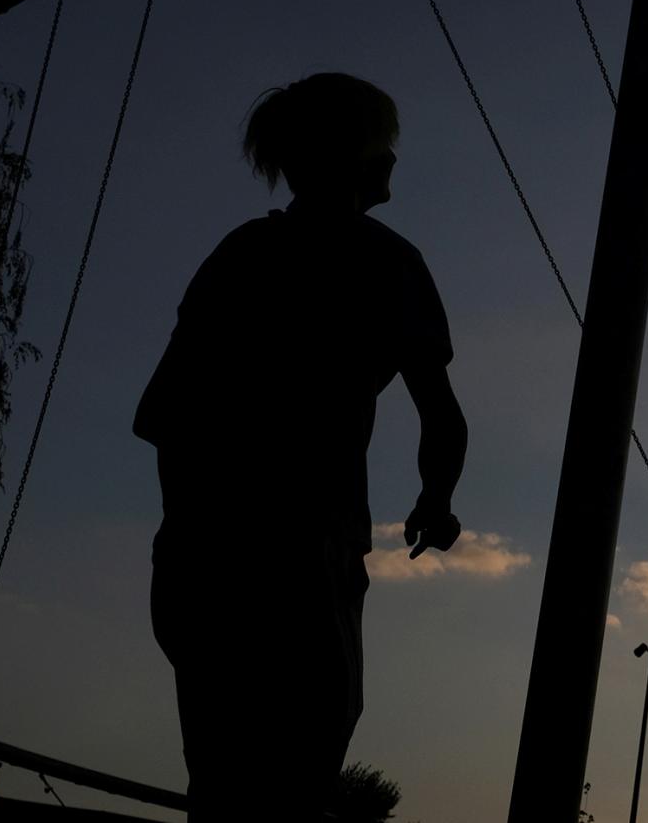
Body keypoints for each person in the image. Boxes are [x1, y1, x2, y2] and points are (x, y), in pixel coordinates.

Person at [134, 74, 468, 822]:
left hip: (206, 555)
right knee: (305, 751)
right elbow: (441, 414)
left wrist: (186, 533)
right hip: (303, 549)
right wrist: (437, 498)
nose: (394, 160)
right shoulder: (389, 262)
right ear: (353, 154)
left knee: (223, 777)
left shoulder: (242, 254)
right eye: (384, 144)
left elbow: (168, 417)